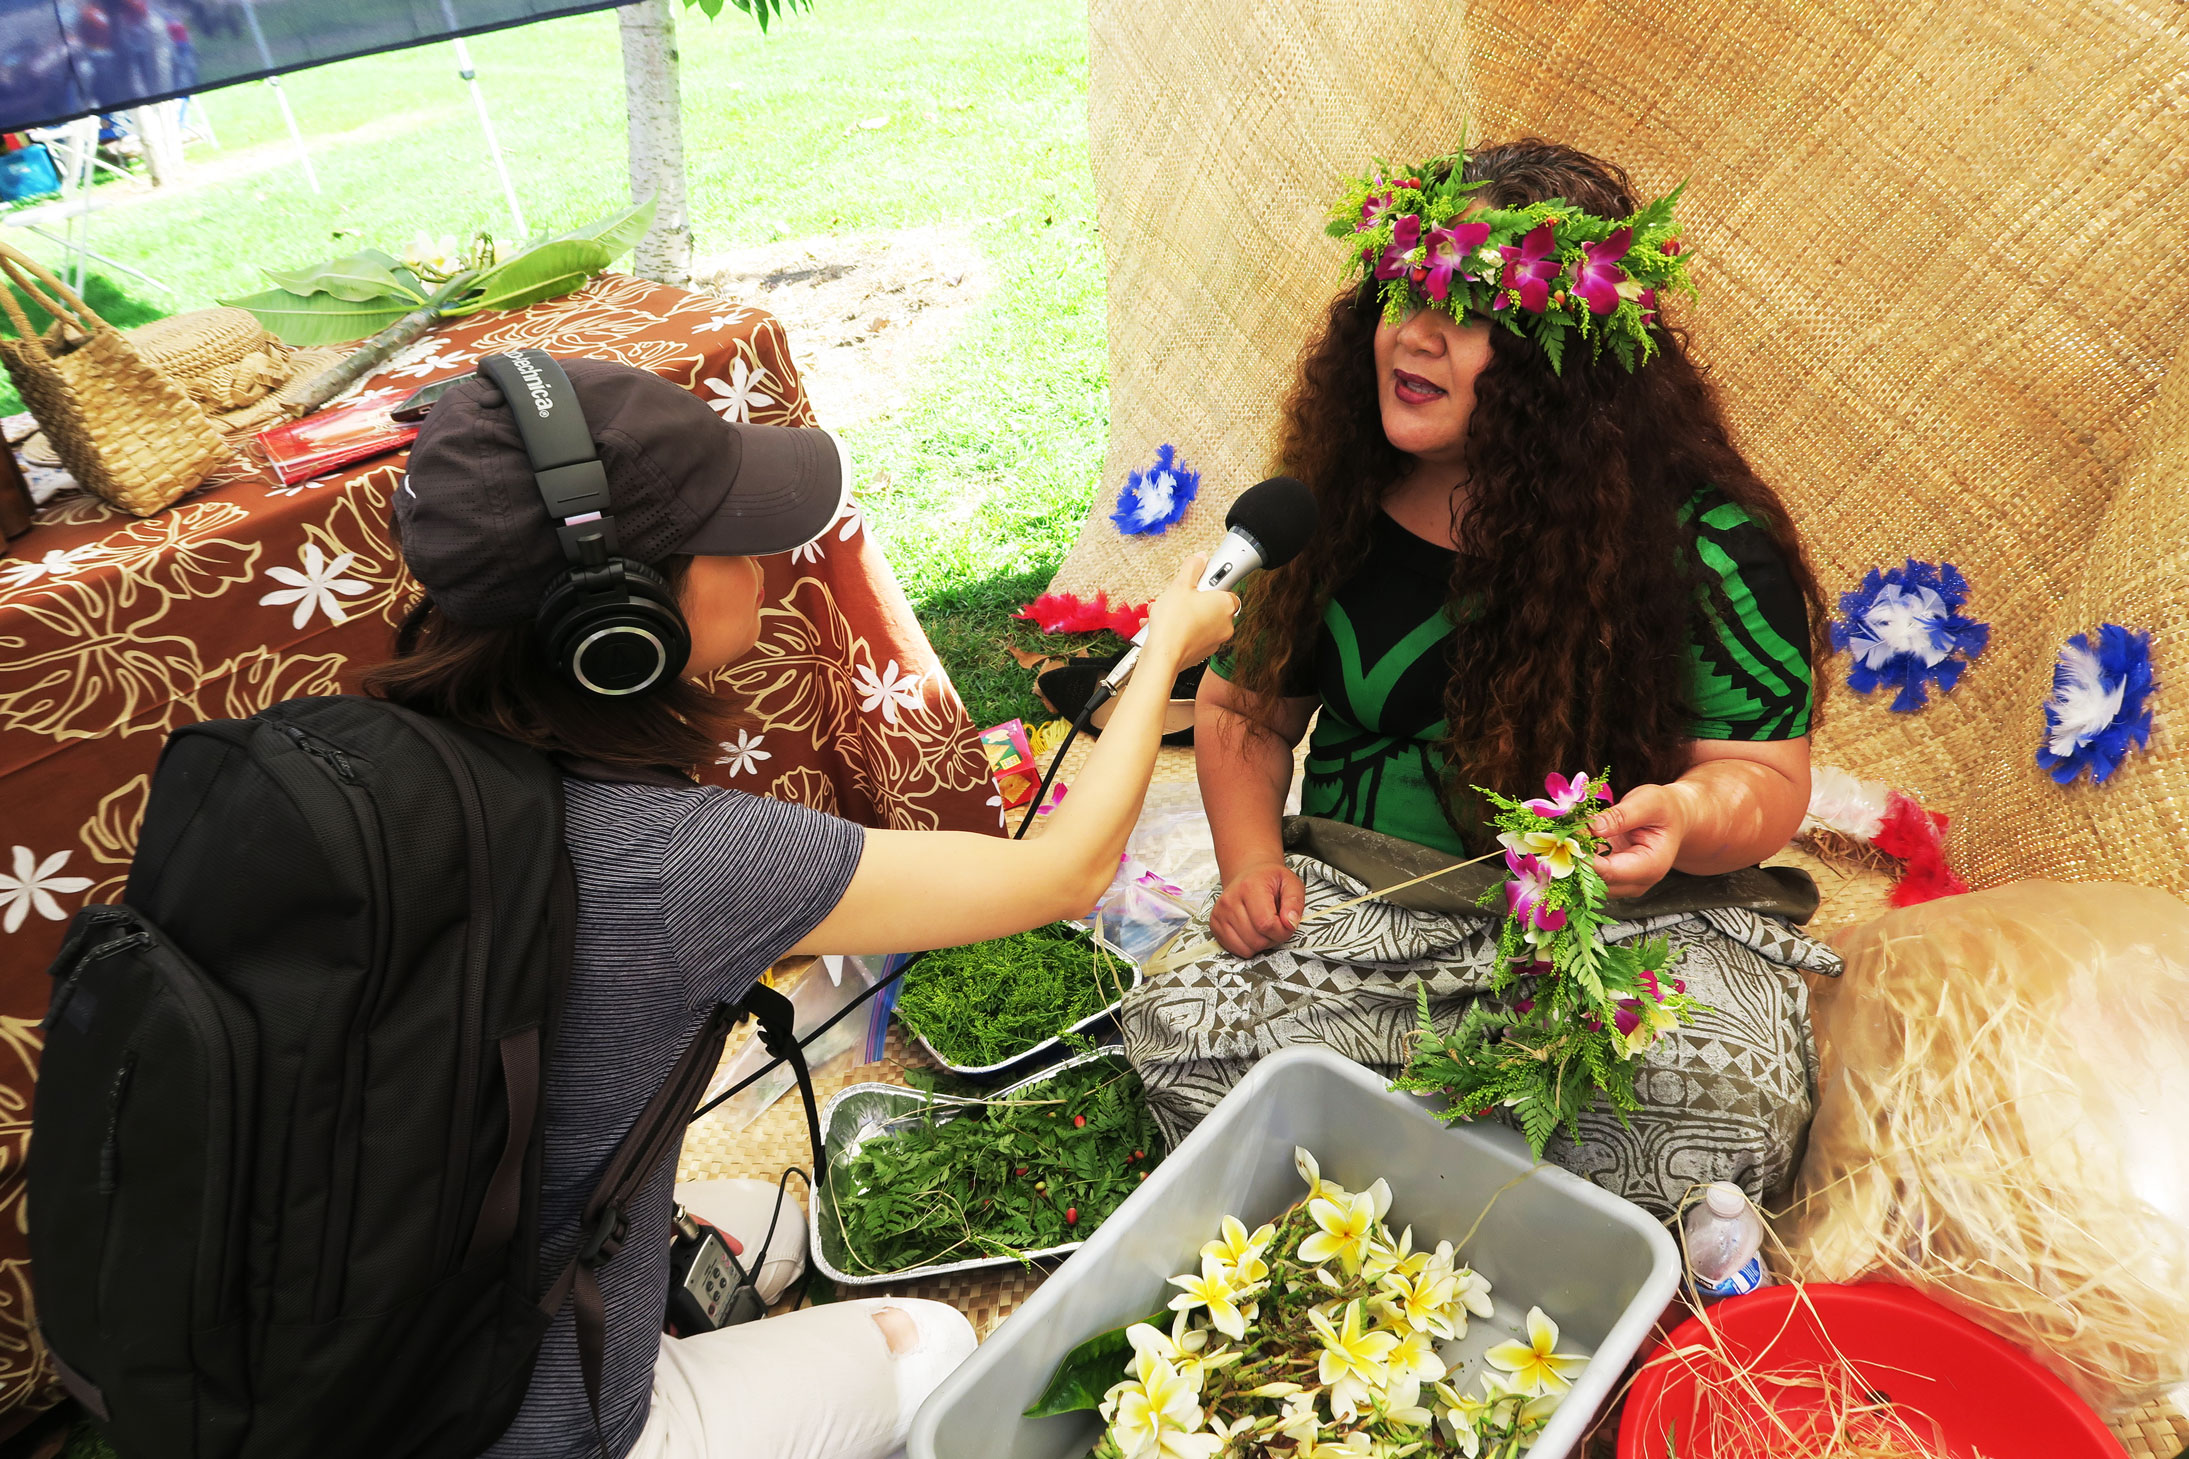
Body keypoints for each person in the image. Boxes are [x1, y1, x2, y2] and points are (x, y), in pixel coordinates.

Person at [372, 358, 1238, 1459]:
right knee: (926, 1341)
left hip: (403, 1315)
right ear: (618, 622)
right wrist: (1162, 642)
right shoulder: (673, 858)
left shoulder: (382, 754)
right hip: (526, 1422)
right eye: (726, 537)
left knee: (775, 1230)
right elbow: (1062, 873)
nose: (765, 559)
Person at [1120, 138, 1844, 1214]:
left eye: (1470, 314)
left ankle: (1395, 1173)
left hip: (1603, 932)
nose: (1412, 334)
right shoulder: (1329, 502)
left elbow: (1762, 777)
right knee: (1178, 1021)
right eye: (1401, 293)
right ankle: (1491, 1189)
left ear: (1565, 367)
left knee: (1730, 1095)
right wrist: (1249, 863)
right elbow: (1238, 712)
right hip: (1360, 905)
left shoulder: (1697, 539)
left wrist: (1685, 817)